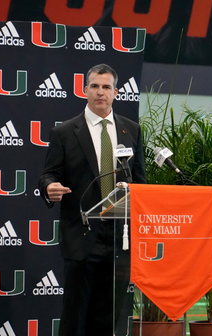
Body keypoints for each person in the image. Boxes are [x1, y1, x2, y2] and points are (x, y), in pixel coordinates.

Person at [39, 63, 146, 336]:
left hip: (119, 239)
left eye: (106, 87)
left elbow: (140, 182)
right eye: (95, 86)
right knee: (75, 318)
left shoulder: (131, 130)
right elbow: (48, 175)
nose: (101, 92)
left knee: (108, 319)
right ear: (85, 90)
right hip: (82, 236)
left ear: (116, 92)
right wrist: (50, 187)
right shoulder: (64, 132)